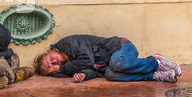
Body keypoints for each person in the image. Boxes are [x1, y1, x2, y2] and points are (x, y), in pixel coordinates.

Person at [34, 34, 182, 83]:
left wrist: (61, 68)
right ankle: (156, 75)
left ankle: (155, 62)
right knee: (110, 75)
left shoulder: (68, 43)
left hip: (120, 47)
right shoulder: (69, 65)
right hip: (113, 63)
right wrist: (84, 75)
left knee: (116, 63)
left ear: (50, 51)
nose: (53, 63)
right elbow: (93, 69)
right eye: (50, 67)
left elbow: (88, 61)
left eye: (50, 59)